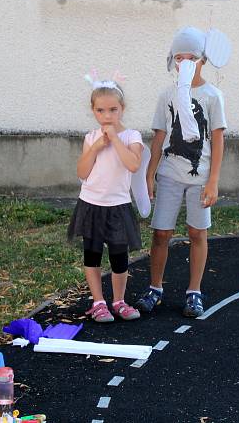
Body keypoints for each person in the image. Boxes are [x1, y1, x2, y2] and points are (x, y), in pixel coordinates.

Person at [136, 27, 228, 318]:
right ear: (172, 61)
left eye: (192, 58)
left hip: (199, 178)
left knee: (197, 232)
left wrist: (213, 181)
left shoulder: (213, 96)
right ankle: (155, 287)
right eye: (179, 58)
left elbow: (218, 138)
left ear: (203, 60)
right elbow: (159, 136)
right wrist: (149, 175)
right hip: (169, 175)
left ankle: (194, 291)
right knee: (161, 232)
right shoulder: (167, 95)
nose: (185, 63)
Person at [68, 75, 144, 323]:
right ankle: (98, 301)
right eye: (101, 110)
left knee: (119, 256)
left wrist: (114, 140)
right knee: (92, 254)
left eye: (113, 109)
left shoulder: (132, 136)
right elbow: (82, 172)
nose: (107, 115)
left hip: (117, 205)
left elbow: (133, 165)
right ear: (93, 111)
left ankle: (119, 301)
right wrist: (96, 147)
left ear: (123, 109)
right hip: (91, 204)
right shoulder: (91, 137)